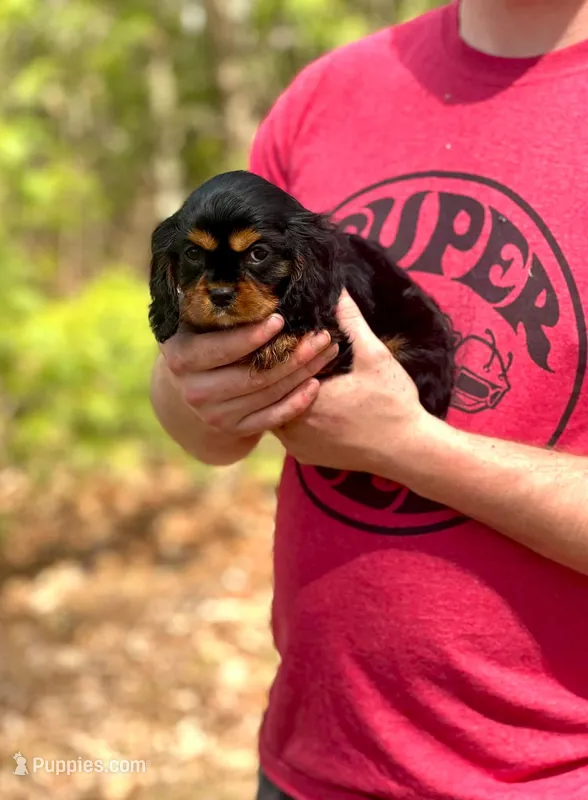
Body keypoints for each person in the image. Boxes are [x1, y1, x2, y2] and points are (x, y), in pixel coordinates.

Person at [150, 0, 588, 797]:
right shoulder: (325, 94)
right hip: (312, 761)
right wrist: (195, 379)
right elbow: (206, 434)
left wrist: (406, 445)